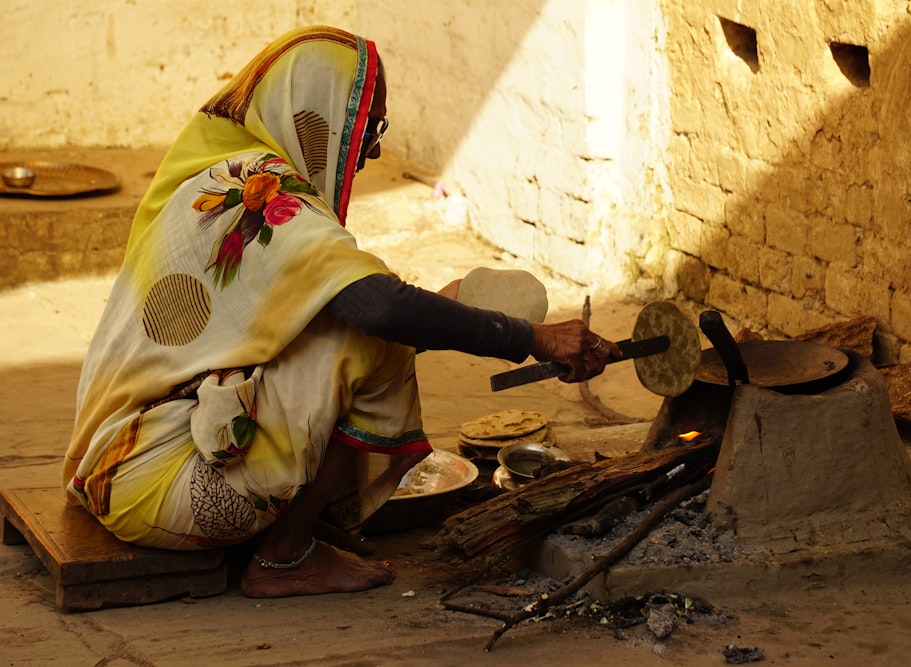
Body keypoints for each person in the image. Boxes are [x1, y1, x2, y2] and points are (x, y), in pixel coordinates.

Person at [63, 25, 621, 599]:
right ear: (316, 114)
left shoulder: (219, 172)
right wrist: (531, 338)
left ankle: (304, 524)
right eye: (368, 126)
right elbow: (376, 310)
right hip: (158, 486)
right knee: (380, 346)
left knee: (366, 329)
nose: (373, 148)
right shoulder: (265, 193)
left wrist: (445, 308)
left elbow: (307, 318)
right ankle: (283, 557)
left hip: (107, 469)